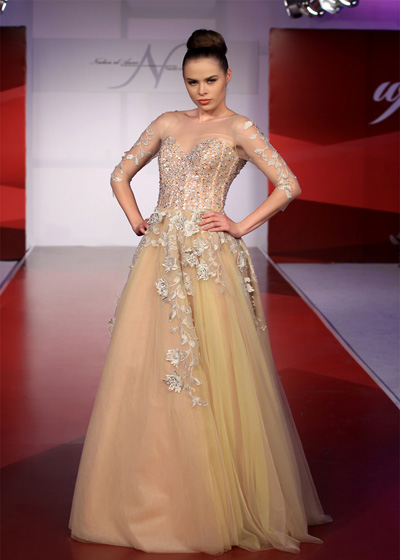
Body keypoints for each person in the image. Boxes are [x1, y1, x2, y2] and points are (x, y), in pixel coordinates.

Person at [68, 29, 332, 555]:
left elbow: (289, 184)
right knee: (150, 365)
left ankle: (221, 498)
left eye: (210, 80)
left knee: (216, 367)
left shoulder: (240, 128)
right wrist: (138, 219)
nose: (202, 91)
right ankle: (155, 490)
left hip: (211, 261)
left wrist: (239, 225)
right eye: (192, 82)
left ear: (228, 75)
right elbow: (120, 174)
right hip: (160, 257)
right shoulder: (168, 122)